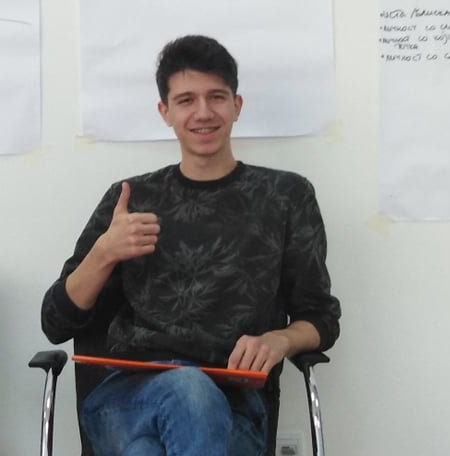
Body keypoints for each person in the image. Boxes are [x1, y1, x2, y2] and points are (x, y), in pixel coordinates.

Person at [41, 34, 341, 456]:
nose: (203, 112)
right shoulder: (131, 199)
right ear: (165, 112)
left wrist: (280, 340)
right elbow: (56, 322)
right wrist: (105, 252)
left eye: (216, 97)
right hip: (128, 400)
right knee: (188, 389)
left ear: (237, 105)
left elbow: (321, 317)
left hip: (236, 404)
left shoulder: (285, 197)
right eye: (186, 100)